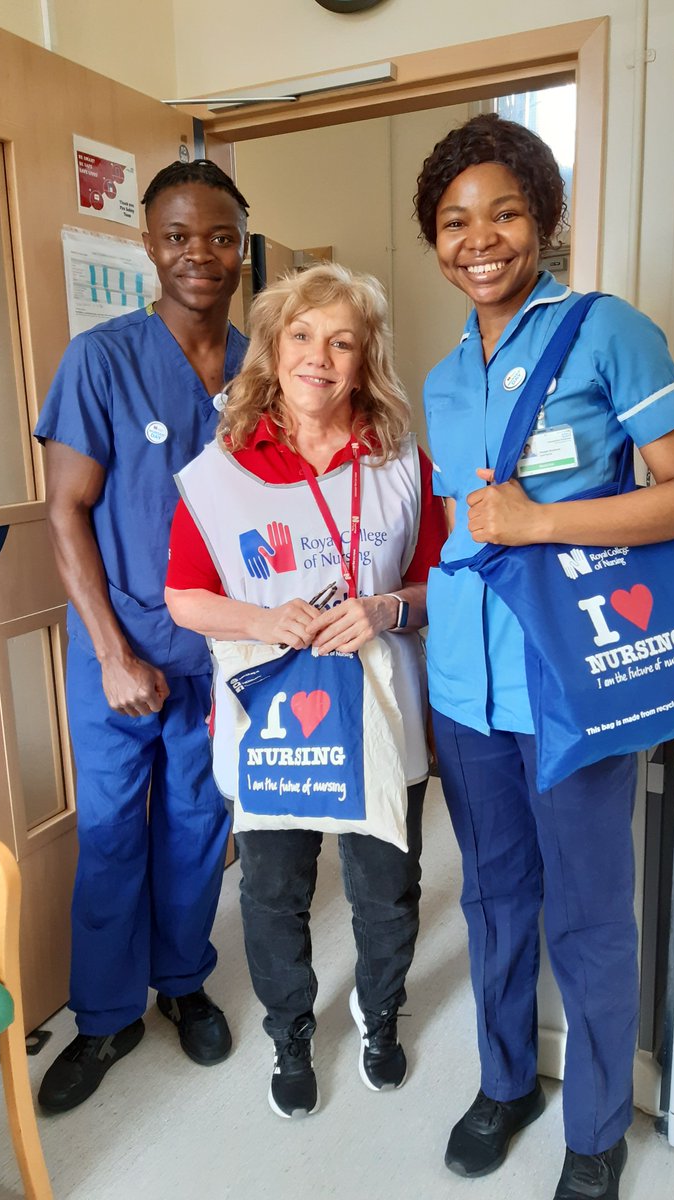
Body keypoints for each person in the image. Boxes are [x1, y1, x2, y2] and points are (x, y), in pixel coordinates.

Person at [414, 113, 674, 1199]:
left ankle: (595, 1127)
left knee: (591, 912)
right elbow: (459, 528)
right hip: (464, 684)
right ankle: (507, 1081)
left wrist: (539, 523)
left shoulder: (606, 332)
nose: (480, 237)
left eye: (503, 211)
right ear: (436, 242)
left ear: (543, 218)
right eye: (454, 221)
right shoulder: (443, 378)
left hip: (575, 676)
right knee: (495, 898)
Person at [164, 261, 447, 1119]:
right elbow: (184, 596)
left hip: (380, 713)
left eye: (342, 342)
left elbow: (442, 585)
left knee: (387, 886)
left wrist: (388, 605)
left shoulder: (402, 465)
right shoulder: (219, 473)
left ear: (364, 361)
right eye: (301, 335)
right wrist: (261, 621)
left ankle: (380, 1011)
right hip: (273, 716)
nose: (319, 357)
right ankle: (290, 1028)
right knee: (272, 890)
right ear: (272, 348)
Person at [34, 159, 251, 1113]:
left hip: (221, 647)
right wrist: (116, 653)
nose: (198, 254)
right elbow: (64, 511)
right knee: (115, 831)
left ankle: (183, 982)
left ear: (241, 246)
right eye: (177, 236)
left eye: (218, 236)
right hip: (119, 643)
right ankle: (104, 1016)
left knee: (201, 827)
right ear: (148, 247)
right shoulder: (102, 358)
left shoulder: (264, 370)